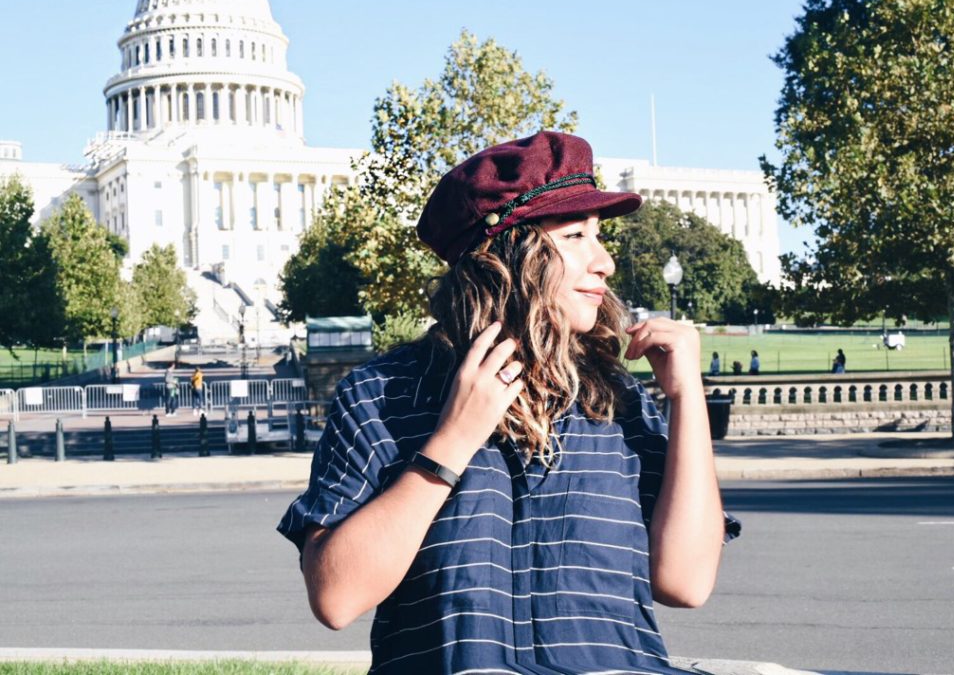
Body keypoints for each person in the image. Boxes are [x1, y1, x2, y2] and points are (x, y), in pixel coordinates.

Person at [278, 131, 739, 674]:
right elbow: (336, 597)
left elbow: (685, 583)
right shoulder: (382, 393)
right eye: (574, 236)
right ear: (510, 256)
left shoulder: (616, 400)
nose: (605, 262)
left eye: (599, 235)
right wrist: (452, 441)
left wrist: (686, 400)